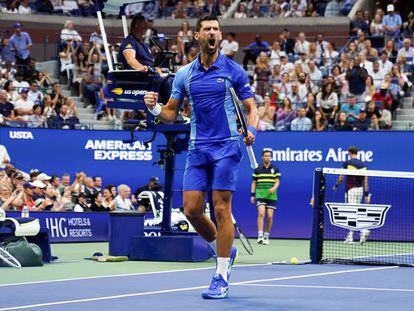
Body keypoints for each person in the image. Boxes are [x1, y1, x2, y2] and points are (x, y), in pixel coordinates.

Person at [143, 14, 258, 299]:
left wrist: (252, 127)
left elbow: (251, 107)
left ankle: (220, 275)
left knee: (221, 209)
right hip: (198, 148)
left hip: (228, 147)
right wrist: (156, 109)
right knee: (191, 210)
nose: (212, 33)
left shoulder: (234, 70)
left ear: (220, 36)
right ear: (197, 36)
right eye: (206, 29)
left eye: (216, 30)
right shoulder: (185, 74)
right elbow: (171, 113)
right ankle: (224, 247)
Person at [333, 146, 370, 244]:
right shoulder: (363, 164)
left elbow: (341, 177)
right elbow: (365, 180)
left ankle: (363, 231)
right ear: (357, 153)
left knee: (350, 213)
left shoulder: (347, 163)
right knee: (355, 211)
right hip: (360, 190)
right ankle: (351, 236)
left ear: (349, 152)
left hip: (351, 190)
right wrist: (366, 194)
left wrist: (336, 185)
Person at [251, 150, 280, 245]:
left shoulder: (275, 169)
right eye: (265, 156)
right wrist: (252, 195)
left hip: (272, 196)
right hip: (260, 195)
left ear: (270, 157)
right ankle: (260, 236)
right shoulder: (257, 169)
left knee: (270, 216)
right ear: (262, 157)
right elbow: (254, 182)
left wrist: (273, 188)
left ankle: (266, 236)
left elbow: (277, 181)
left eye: (269, 156)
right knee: (261, 214)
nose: (267, 157)